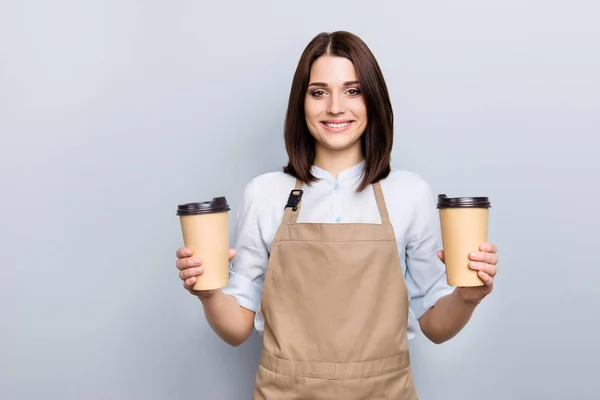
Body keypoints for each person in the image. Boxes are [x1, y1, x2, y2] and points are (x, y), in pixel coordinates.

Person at [175, 31, 499, 399]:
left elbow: (436, 326)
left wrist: (468, 297)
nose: (334, 107)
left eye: (352, 90)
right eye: (318, 92)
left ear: (372, 100)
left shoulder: (409, 194)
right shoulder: (265, 194)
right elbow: (236, 329)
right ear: (302, 102)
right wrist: (207, 293)